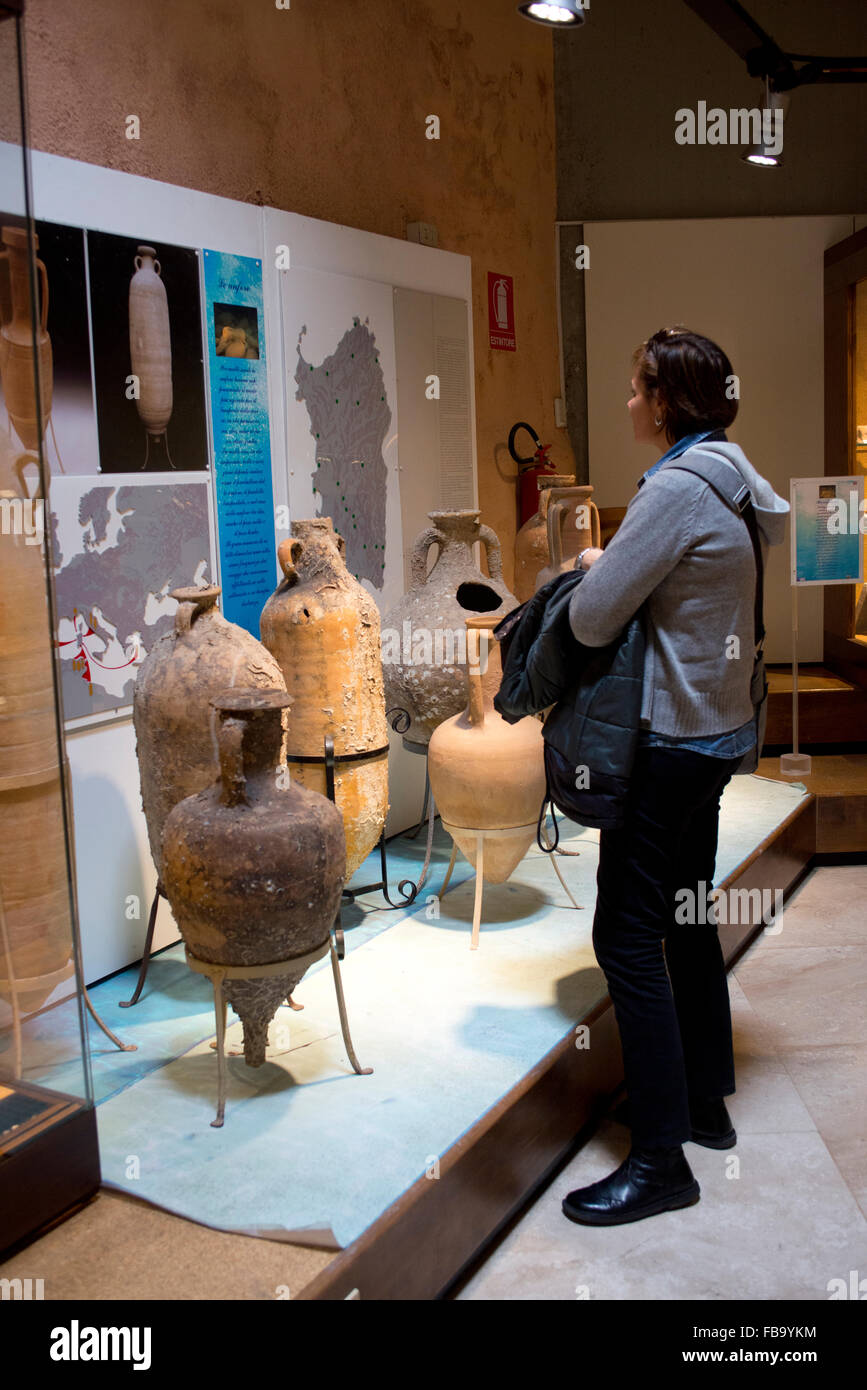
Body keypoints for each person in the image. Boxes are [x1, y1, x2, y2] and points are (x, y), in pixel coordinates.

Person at [562, 326, 789, 1226]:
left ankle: (659, 1160)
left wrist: (595, 568)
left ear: (664, 403)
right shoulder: (734, 473)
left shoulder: (672, 488)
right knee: (688, 912)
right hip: (724, 730)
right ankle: (702, 1102)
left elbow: (587, 620)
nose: (626, 402)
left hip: (667, 743)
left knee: (624, 935)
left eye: (634, 388)